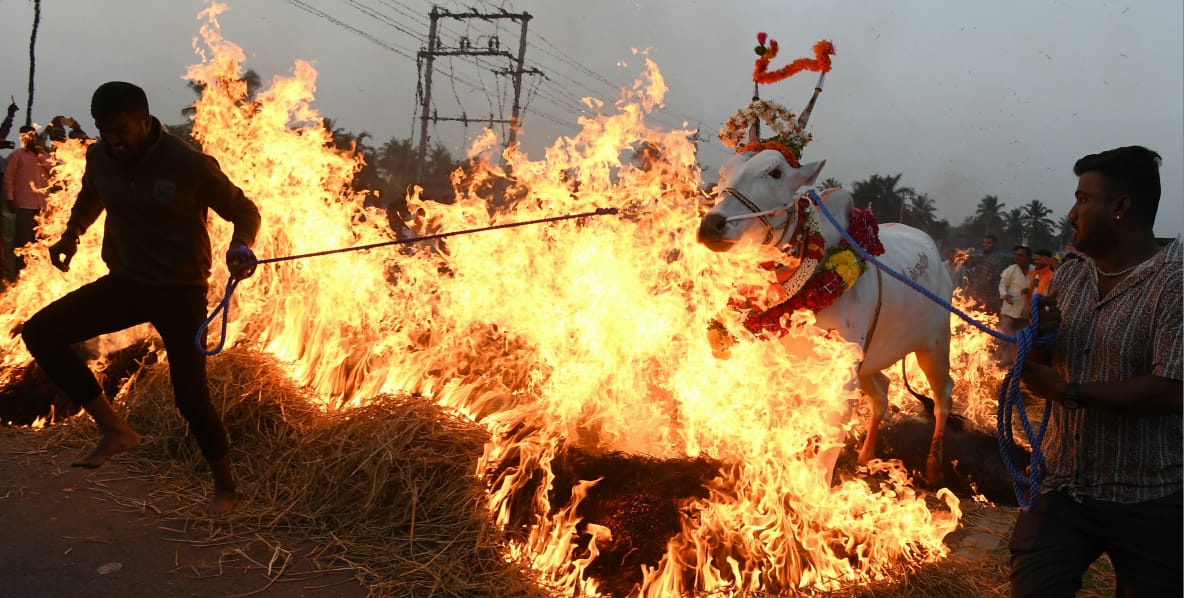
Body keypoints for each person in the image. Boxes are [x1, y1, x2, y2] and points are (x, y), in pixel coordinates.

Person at [20, 81, 261, 515]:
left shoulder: (189, 164)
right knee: (41, 332)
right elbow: (93, 195)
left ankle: (226, 487)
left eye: (120, 129)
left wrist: (240, 244)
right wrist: (72, 234)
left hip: (179, 292)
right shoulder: (99, 157)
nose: (112, 140)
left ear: (145, 121)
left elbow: (245, 210)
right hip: (126, 284)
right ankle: (114, 430)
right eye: (103, 130)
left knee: (190, 398)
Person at [1013, 145, 1182, 597]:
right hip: (1063, 485)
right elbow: (1039, 370)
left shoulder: (1176, 282)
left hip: (1153, 496)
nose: (1071, 213)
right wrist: (1041, 338)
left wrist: (1068, 392)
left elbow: (1171, 391)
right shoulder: (1070, 276)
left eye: (1084, 200)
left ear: (1121, 207)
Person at [3, 125, 53, 279]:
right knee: (24, 243)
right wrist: (10, 199)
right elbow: (8, 179)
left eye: (33, 135)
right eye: (27, 136)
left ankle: (39, 276)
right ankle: (20, 275)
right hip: (24, 205)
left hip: (43, 206)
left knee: (42, 242)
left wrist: (40, 154)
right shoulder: (17, 155)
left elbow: (53, 171)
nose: (31, 138)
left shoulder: (43, 154)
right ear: (22, 138)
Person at [997, 245, 1032, 365]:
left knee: (1023, 341)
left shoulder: (1034, 271)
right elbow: (1002, 286)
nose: (1017, 258)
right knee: (1005, 340)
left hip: (1026, 312)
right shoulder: (1010, 270)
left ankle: (1018, 364)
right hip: (1009, 312)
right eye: (1015, 255)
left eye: (1021, 255)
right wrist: (1005, 296)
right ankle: (1003, 363)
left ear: (1028, 257)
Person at [966, 234, 1007, 314]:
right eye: (984, 243)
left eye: (988, 243)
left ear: (995, 244)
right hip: (979, 294)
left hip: (993, 297)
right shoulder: (983, 256)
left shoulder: (1000, 258)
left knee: (991, 320)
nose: (985, 245)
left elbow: (998, 276)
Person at [1023, 248, 1055, 319]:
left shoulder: (1053, 276)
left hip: (1045, 312)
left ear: (1046, 260)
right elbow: (1031, 293)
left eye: (1038, 259)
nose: (1035, 262)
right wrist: (1027, 291)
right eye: (1034, 259)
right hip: (1032, 311)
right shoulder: (1032, 274)